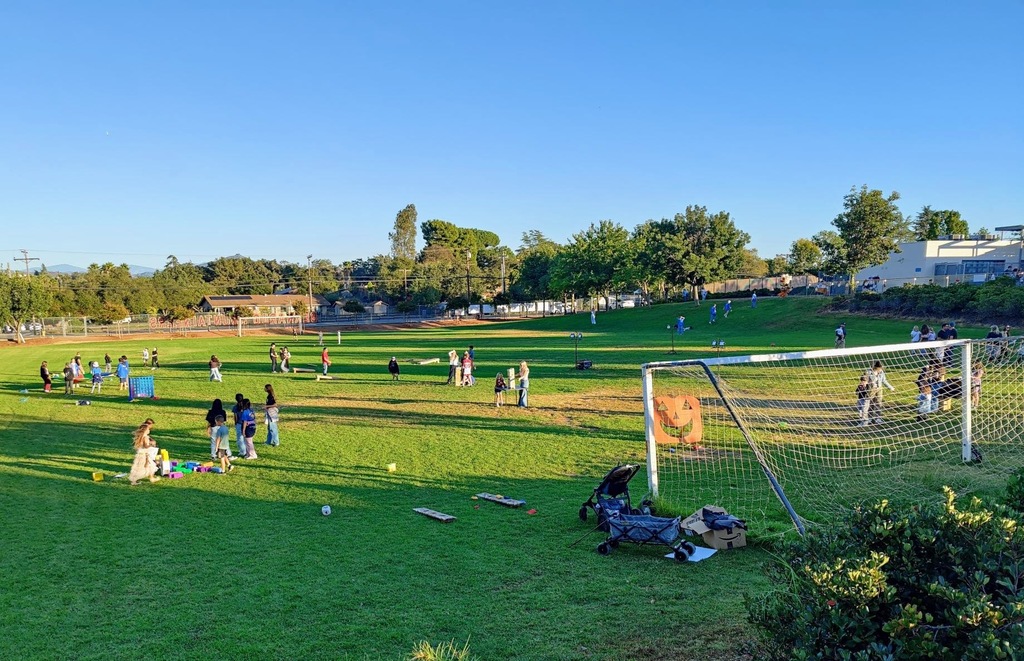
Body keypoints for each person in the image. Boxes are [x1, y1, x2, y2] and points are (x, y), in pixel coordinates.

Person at [231, 393, 246, 458]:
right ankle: (247, 450)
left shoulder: (235, 407)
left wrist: (236, 423)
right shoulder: (245, 406)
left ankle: (243, 451)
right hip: (246, 423)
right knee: (246, 437)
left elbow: (235, 416)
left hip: (239, 423)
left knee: (240, 438)